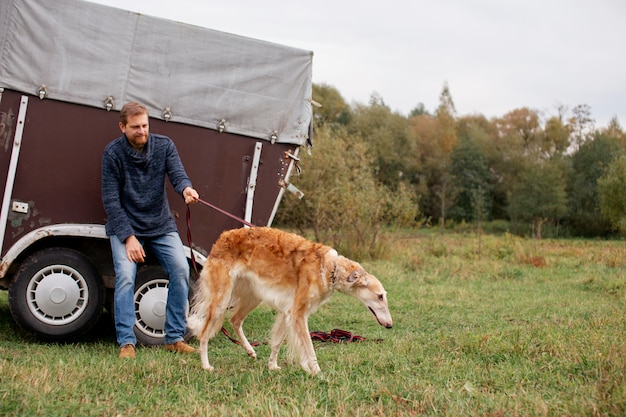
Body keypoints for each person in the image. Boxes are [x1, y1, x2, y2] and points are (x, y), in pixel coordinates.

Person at [102, 102, 199, 359]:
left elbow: (178, 175)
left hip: (160, 224)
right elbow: (111, 201)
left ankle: (175, 337)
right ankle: (126, 343)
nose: (142, 131)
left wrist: (186, 189)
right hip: (126, 227)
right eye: (135, 127)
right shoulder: (112, 154)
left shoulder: (164, 145)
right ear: (122, 127)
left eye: (145, 125)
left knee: (180, 268)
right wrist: (129, 237)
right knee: (125, 275)